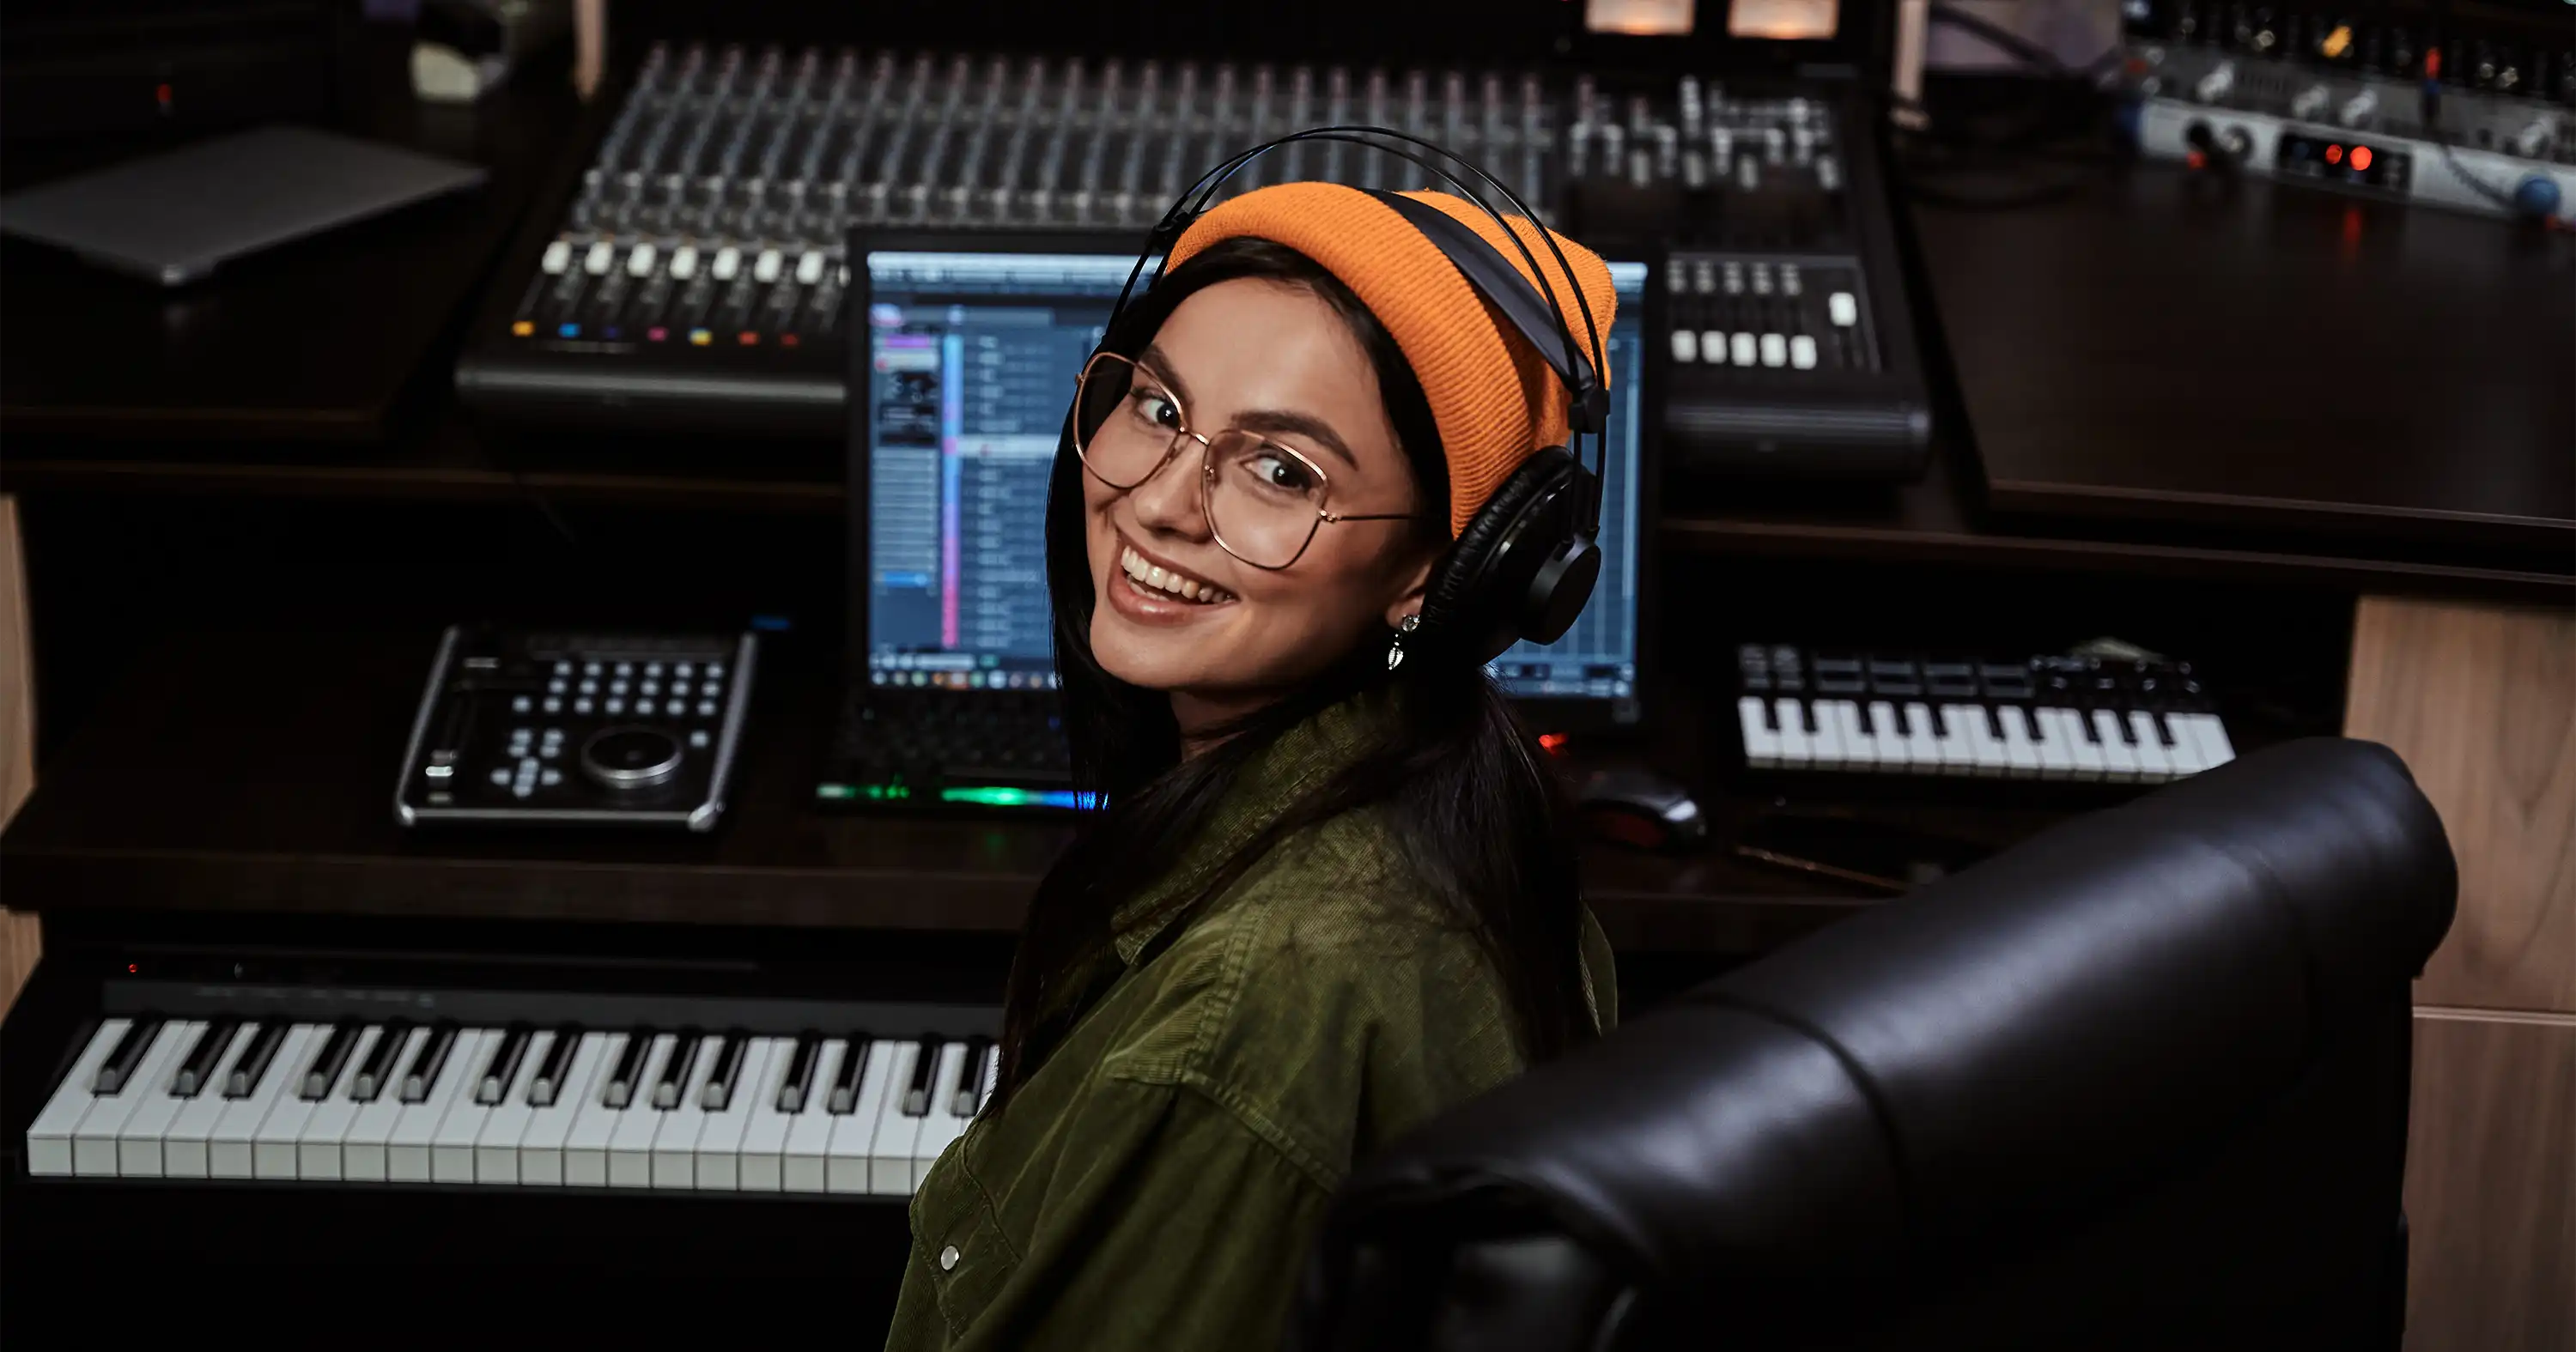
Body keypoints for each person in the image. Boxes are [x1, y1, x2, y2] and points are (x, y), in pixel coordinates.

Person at [883, 179, 1623, 1351]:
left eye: (1283, 471)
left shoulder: (1247, 1017)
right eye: (1159, 407)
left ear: (1442, 574)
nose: (1160, 502)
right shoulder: (1470, 811)